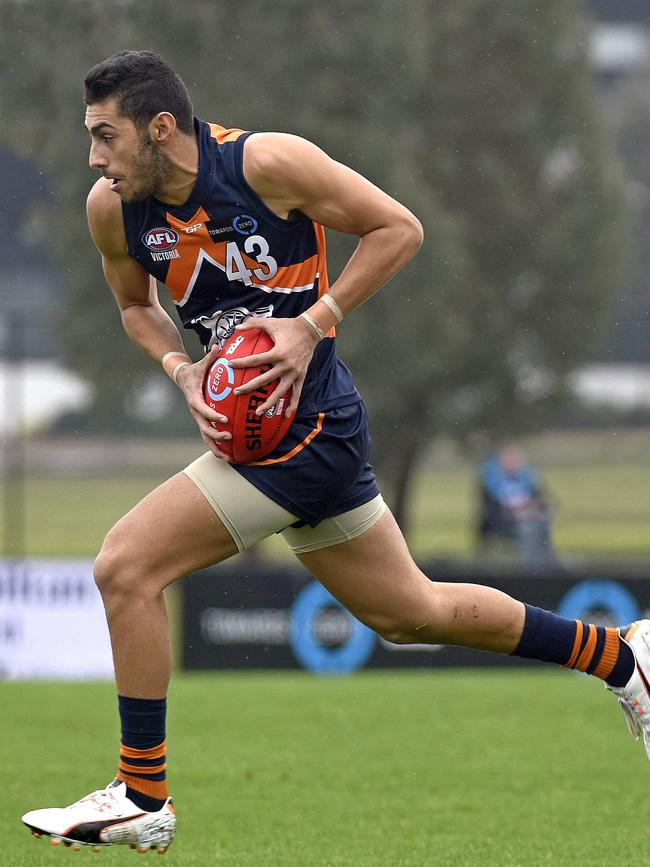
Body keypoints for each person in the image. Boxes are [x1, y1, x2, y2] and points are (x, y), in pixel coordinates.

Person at [20, 50, 650, 854]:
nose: (95, 159)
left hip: (311, 429)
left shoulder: (269, 164)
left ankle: (142, 793)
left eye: (106, 137)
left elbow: (400, 229)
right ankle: (621, 655)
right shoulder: (113, 209)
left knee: (124, 565)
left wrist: (311, 322)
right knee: (409, 611)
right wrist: (182, 370)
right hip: (277, 436)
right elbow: (135, 306)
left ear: (161, 128)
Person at [479, 444, 555, 568]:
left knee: (542, 520)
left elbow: (538, 496)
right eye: (508, 459)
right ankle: (531, 567)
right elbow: (500, 504)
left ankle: (545, 563)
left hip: (529, 513)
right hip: (505, 518)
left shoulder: (525, 477)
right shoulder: (494, 478)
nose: (512, 463)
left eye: (515, 459)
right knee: (529, 527)